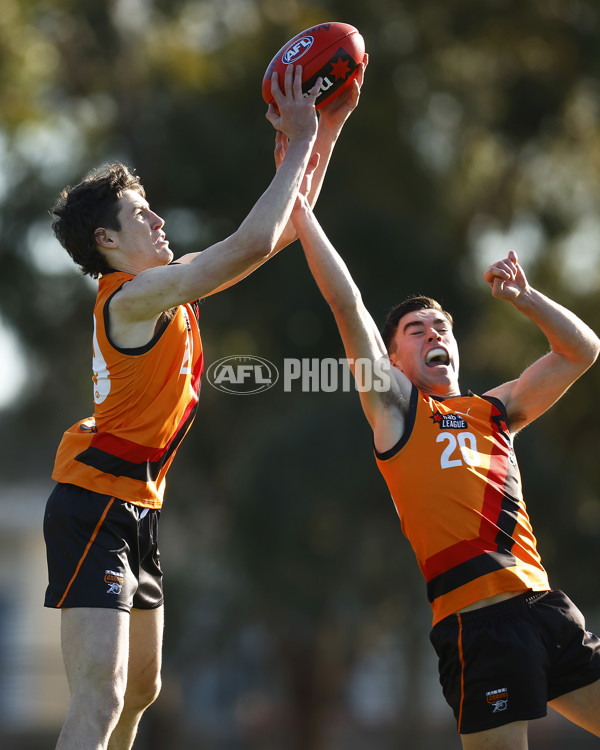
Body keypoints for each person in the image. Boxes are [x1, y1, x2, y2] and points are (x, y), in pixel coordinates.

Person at [43, 60, 366, 750]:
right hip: (93, 502)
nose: (158, 218)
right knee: (99, 695)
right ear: (107, 242)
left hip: (138, 504)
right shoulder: (132, 296)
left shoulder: (166, 285)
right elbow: (251, 242)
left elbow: (280, 230)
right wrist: (301, 138)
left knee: (140, 692)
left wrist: (326, 127)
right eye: (139, 213)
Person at [289, 183, 600, 748]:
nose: (436, 334)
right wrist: (299, 208)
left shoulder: (495, 409)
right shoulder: (396, 410)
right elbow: (346, 305)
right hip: (478, 627)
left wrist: (526, 298)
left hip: (545, 609)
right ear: (392, 359)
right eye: (418, 330)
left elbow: (582, 350)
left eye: (443, 329)